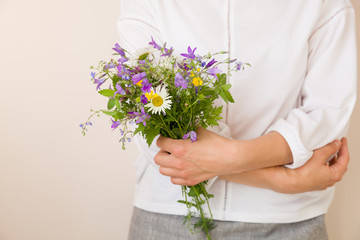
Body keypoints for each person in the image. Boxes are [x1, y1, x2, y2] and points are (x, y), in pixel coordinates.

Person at [117, 0, 357, 239]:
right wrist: (283, 180)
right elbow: (150, 127)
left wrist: (234, 158)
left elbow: (327, 113)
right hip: (169, 214)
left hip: (289, 221)